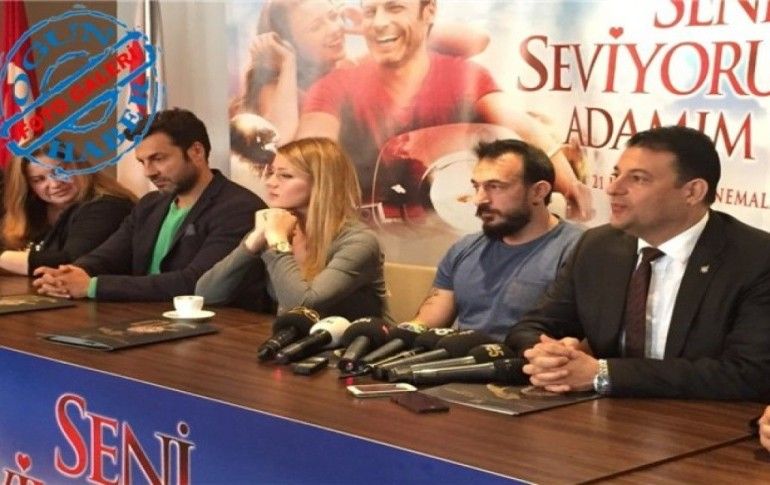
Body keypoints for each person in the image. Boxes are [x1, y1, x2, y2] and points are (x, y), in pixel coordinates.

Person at [505, 126, 770, 400]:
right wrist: (546, 353)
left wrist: (603, 373)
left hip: (704, 417)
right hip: (603, 415)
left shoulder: (756, 258)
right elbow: (532, 327)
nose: (613, 189)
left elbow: (751, 373)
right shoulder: (597, 246)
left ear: (692, 192)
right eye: (616, 175)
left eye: (638, 179)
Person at [295, 0, 593, 220]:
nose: (379, 22)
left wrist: (572, 189)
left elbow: (523, 127)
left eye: (395, 8)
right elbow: (309, 148)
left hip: (456, 237)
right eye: (370, 12)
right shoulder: (335, 85)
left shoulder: (464, 75)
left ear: (429, 11)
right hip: (375, 242)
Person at [32, 108, 267, 303]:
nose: (148, 172)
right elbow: (108, 255)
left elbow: (195, 282)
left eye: (158, 159)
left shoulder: (239, 208)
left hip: (216, 328)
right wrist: (71, 274)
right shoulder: (150, 204)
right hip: (146, 318)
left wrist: (92, 286)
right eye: (142, 162)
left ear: (196, 151)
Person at [232, 0, 490, 142]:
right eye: (316, 27)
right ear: (287, 42)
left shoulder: (351, 69)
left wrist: (372, 26)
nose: (334, 29)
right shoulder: (278, 90)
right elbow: (279, 144)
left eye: (333, 16)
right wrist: (287, 64)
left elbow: (476, 41)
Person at [407, 140, 582, 341]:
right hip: (460, 358)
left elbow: (592, 340)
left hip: (531, 360)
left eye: (495, 187)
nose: (479, 199)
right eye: (476, 187)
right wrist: (401, 334)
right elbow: (427, 320)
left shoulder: (579, 250)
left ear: (538, 191)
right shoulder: (464, 249)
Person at [196, 137, 387, 320]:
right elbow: (206, 294)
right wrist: (251, 244)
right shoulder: (278, 228)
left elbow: (303, 305)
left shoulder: (359, 242)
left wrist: (277, 243)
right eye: (271, 173)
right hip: (293, 337)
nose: (270, 182)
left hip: (351, 341)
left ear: (321, 183)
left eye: (285, 176)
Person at [1, 153, 136, 276]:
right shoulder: (36, 209)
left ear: (79, 166)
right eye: (39, 179)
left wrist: (4, 258)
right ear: (28, 186)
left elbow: (72, 262)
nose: (55, 184)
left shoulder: (107, 206)